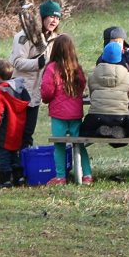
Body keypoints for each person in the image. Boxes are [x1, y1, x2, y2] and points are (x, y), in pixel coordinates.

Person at [79, 42, 129, 180]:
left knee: (84, 131)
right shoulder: (128, 76)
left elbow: (93, 92)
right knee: (122, 134)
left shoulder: (94, 75)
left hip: (96, 116)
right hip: (120, 116)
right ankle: (124, 130)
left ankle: (100, 131)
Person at [40, 34, 92, 183]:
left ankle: (61, 176)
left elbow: (47, 91)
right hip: (76, 113)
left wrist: (46, 100)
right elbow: (82, 86)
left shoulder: (52, 68)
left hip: (58, 113)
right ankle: (87, 175)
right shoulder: (77, 68)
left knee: (59, 145)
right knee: (80, 144)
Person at [10, 0, 62, 150]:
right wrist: (37, 64)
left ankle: (27, 167)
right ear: (43, 17)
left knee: (28, 132)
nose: (54, 21)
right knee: (17, 132)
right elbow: (17, 62)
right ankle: (16, 167)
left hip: (37, 93)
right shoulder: (24, 36)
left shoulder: (54, 39)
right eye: (51, 17)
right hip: (21, 91)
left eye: (58, 18)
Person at [0, 59, 32, 188]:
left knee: (4, 156)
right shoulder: (19, 89)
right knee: (14, 154)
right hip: (17, 129)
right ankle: (19, 178)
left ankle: (5, 180)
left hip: (3, 131)